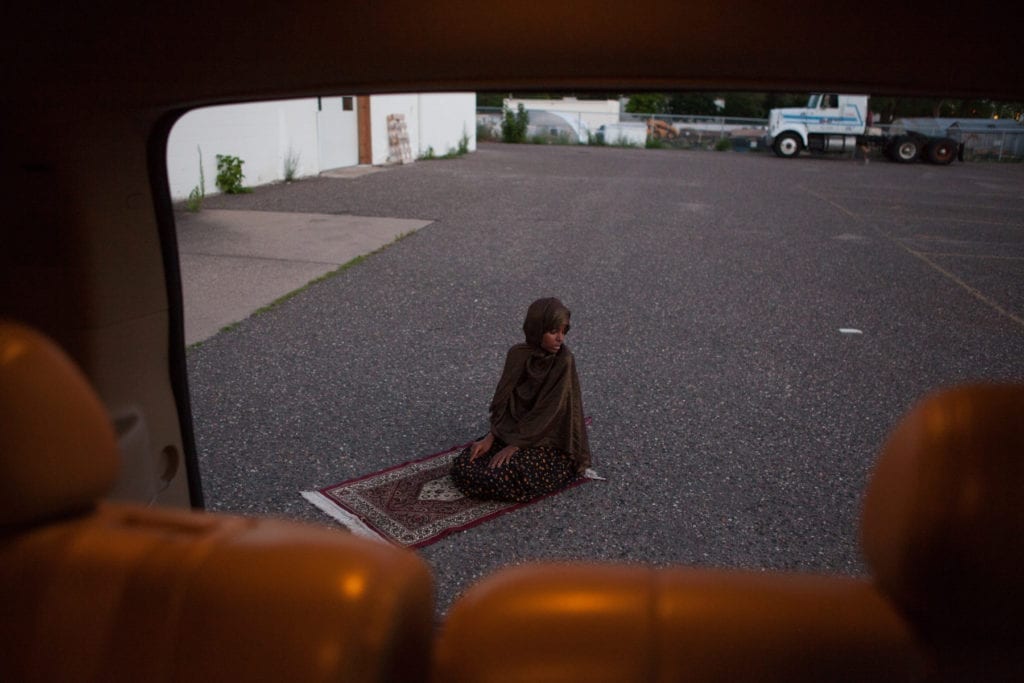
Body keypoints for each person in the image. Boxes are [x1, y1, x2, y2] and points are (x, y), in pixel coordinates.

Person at [450, 297, 591, 502]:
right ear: (536, 330)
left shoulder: (563, 361)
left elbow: (549, 411)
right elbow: (504, 401)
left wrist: (516, 445)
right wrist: (492, 436)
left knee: (503, 476)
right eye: (553, 332)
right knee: (466, 465)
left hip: (547, 438)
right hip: (514, 429)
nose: (560, 338)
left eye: (564, 331)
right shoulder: (518, 355)